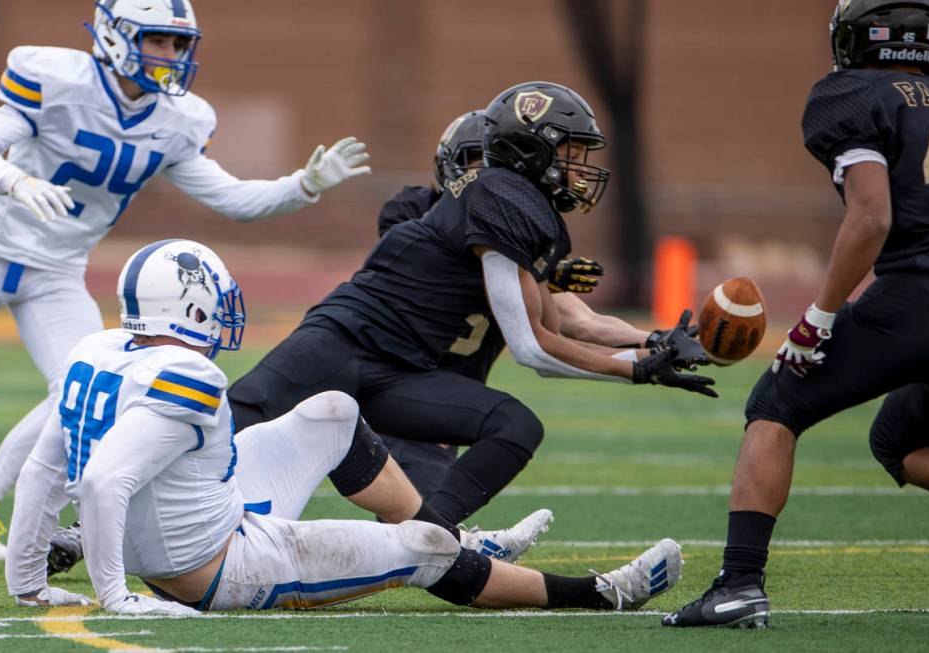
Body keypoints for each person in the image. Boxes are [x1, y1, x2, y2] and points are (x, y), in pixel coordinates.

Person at [4, 239, 683, 616]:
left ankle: (462, 535)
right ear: (187, 307)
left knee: (332, 408)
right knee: (420, 549)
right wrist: (117, 597)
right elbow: (100, 476)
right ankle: (600, 592)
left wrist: (28, 579)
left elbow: (43, 469)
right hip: (224, 564)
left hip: (214, 510)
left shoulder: (95, 350)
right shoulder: (191, 375)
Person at [227, 81, 716, 532]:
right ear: (531, 150)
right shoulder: (493, 198)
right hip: (341, 345)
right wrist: (636, 370)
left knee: (514, 426)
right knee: (232, 422)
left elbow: (566, 320)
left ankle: (432, 538)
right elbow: (535, 348)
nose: (579, 165)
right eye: (569, 151)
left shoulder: (514, 217)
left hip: (406, 374)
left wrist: (649, 343)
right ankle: (179, 525)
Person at [0, 0, 371, 560]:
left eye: (177, 44)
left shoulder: (179, 118)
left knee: (74, 385)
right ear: (116, 36)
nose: (170, 55)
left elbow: (232, 199)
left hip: (57, 269)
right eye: (157, 40)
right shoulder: (55, 77)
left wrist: (302, 185)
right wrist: (16, 182)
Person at [663, 0, 929, 629]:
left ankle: (739, 584)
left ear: (857, 34)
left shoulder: (850, 93)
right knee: (903, 441)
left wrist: (816, 318)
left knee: (776, 406)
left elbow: (872, 214)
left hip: (923, 294)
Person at [379, 110, 674, 508]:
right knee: (423, 520)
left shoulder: (516, 239)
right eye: (478, 160)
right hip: (397, 383)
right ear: (453, 166)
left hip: (447, 398)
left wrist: (658, 340)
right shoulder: (416, 217)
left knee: (430, 519)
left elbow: (580, 322)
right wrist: (537, 274)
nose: (489, 173)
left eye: (494, 161)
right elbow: (449, 272)